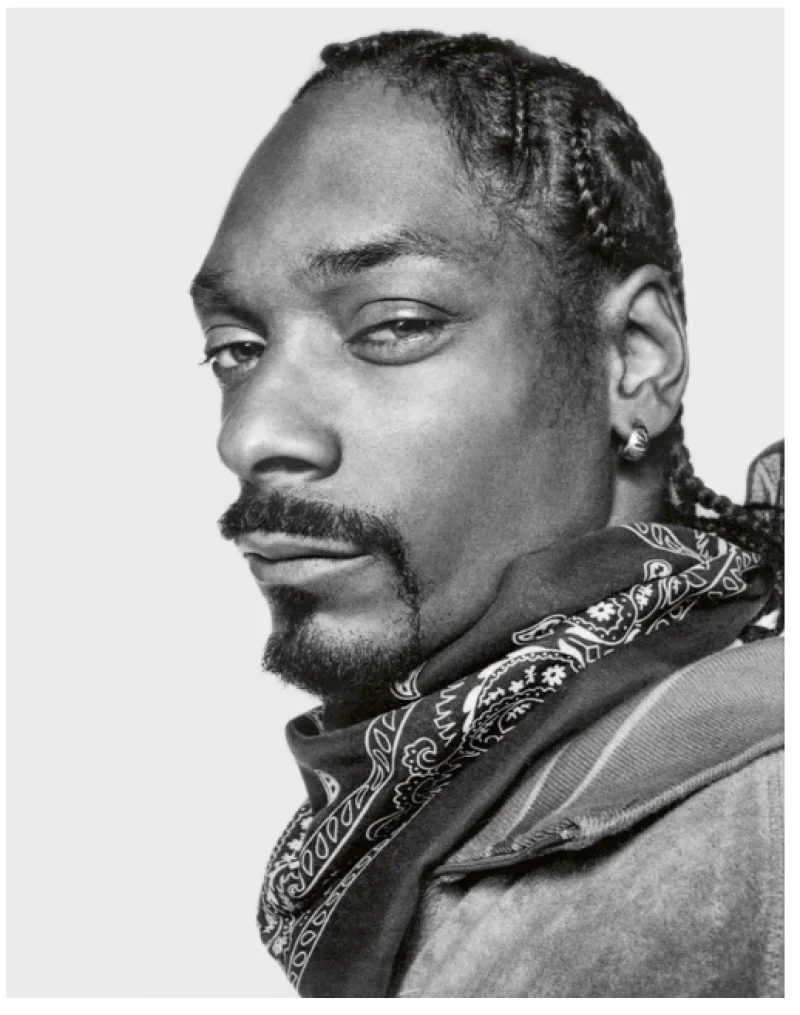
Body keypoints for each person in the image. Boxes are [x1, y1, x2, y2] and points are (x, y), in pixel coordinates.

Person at [190, 31, 784, 998]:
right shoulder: (429, 812)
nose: (250, 435)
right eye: (235, 348)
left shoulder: (753, 817)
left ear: (634, 358)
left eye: (392, 326)